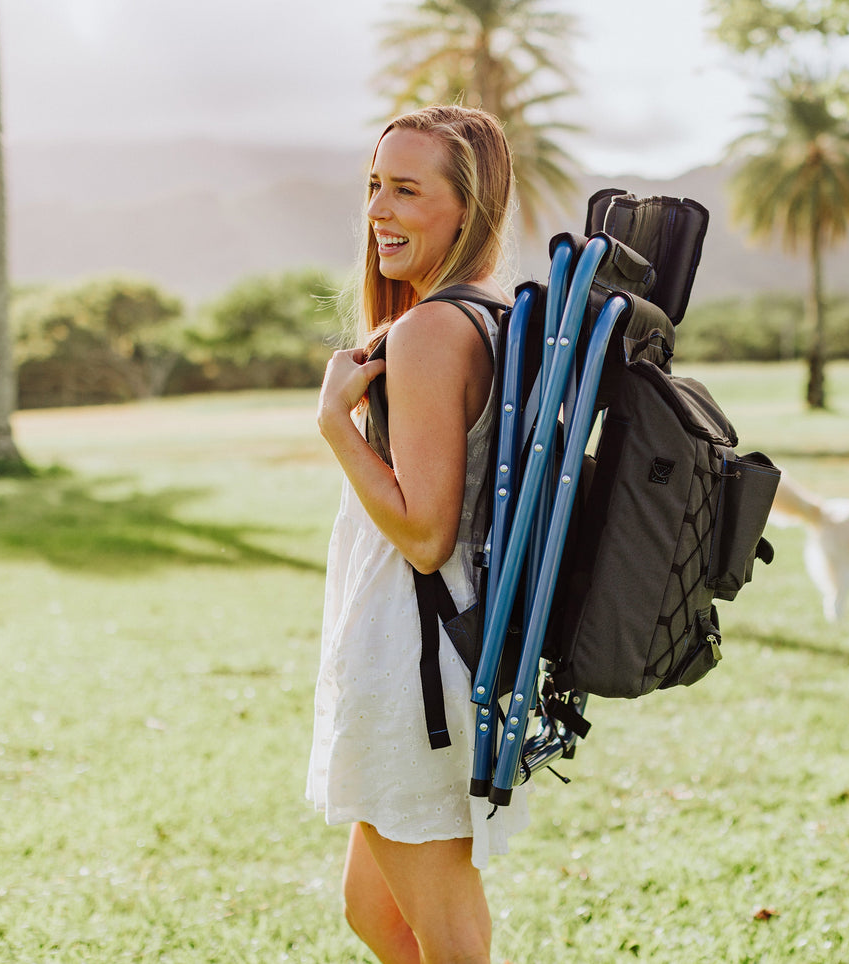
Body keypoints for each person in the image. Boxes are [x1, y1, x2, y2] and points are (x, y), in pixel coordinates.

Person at [306, 104, 526, 964]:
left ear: (464, 210)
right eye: (373, 187)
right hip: (426, 653)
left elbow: (426, 535)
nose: (378, 212)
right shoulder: (475, 315)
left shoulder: (434, 329)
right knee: (376, 914)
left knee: (451, 944)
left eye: (405, 190)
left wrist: (336, 426)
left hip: (418, 662)